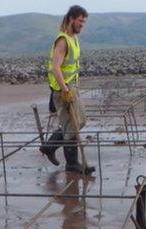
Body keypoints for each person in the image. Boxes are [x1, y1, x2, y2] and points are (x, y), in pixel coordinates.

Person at [39, 5, 95, 175]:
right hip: (63, 88)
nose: (82, 25)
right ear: (71, 18)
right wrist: (65, 90)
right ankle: (72, 164)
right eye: (80, 21)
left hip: (73, 85)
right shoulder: (62, 40)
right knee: (71, 125)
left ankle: (49, 146)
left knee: (79, 121)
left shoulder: (74, 38)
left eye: (84, 22)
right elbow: (56, 68)